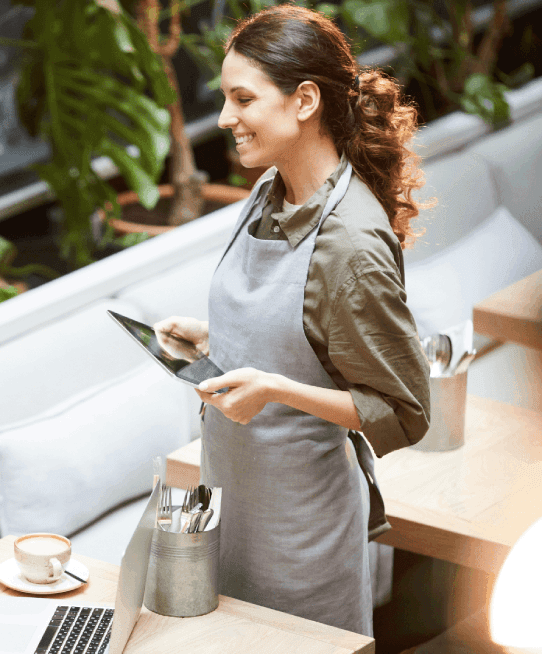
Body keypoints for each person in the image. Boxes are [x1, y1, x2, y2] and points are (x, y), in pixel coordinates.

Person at [154, 5, 431, 637]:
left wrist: (276, 390)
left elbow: (405, 410)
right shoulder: (268, 192)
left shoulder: (352, 245)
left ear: (304, 101)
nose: (224, 118)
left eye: (243, 99)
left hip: (300, 542)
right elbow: (300, 337)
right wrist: (214, 340)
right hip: (231, 513)